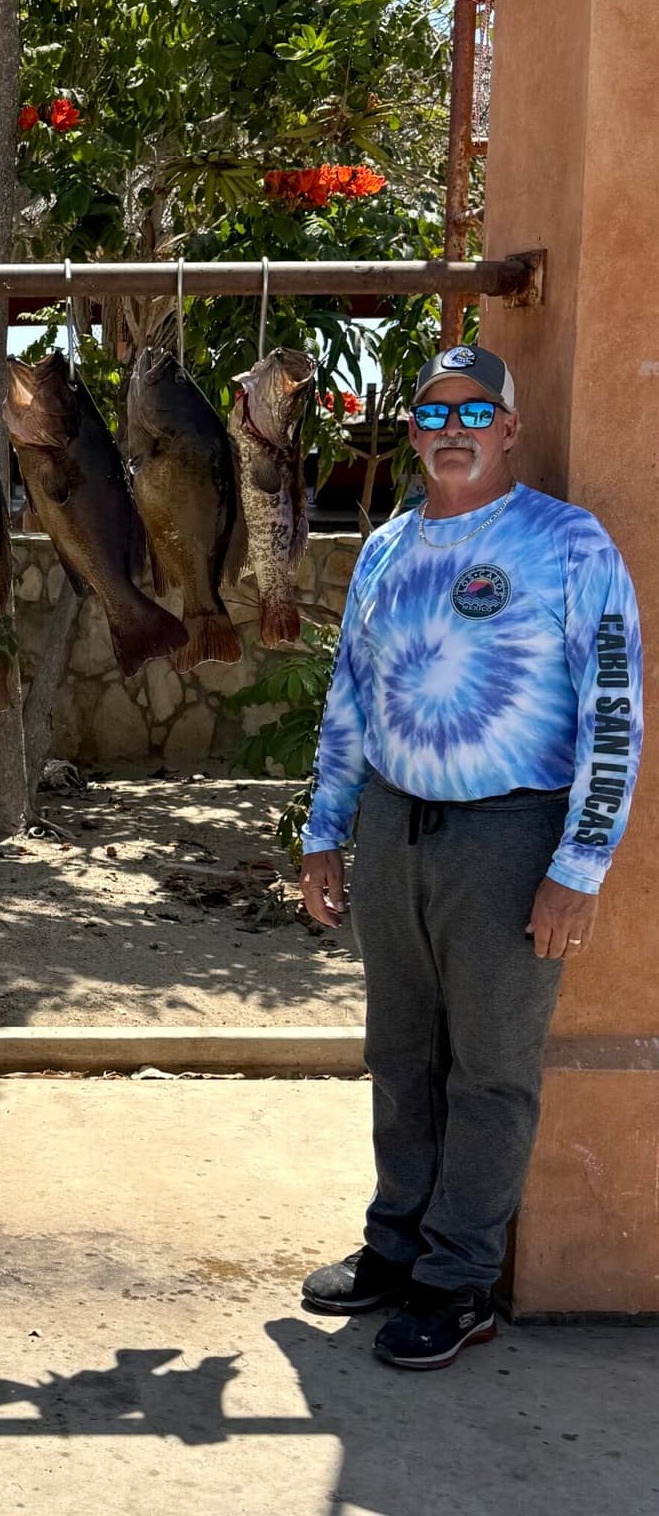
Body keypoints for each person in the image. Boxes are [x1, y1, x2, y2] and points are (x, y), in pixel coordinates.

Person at [297, 343, 642, 1370]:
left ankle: (458, 1282)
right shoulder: (388, 547)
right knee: (399, 1055)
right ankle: (396, 1245)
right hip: (395, 829)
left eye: (474, 413)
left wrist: (579, 867)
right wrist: (325, 826)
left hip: (511, 836)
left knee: (490, 1072)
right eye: (434, 415)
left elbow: (613, 716)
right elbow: (350, 696)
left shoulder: (569, 545)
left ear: (510, 428)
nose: (454, 432)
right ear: (412, 433)